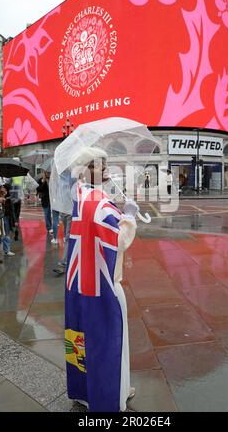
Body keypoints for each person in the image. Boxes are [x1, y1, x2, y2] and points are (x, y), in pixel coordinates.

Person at [65, 147, 138, 412]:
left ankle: (85, 392)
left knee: (82, 338)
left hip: (80, 282)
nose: (104, 168)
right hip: (104, 283)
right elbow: (119, 241)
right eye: (95, 165)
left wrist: (115, 209)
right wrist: (129, 216)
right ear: (82, 171)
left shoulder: (81, 195)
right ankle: (112, 396)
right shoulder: (98, 201)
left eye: (105, 163)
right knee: (111, 341)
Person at [0, 184, 16, 256]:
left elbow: (12, 210)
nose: (3, 191)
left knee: (6, 234)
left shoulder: (9, 199)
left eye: (5, 190)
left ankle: (7, 250)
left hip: (5, 218)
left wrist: (15, 221)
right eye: (1, 190)